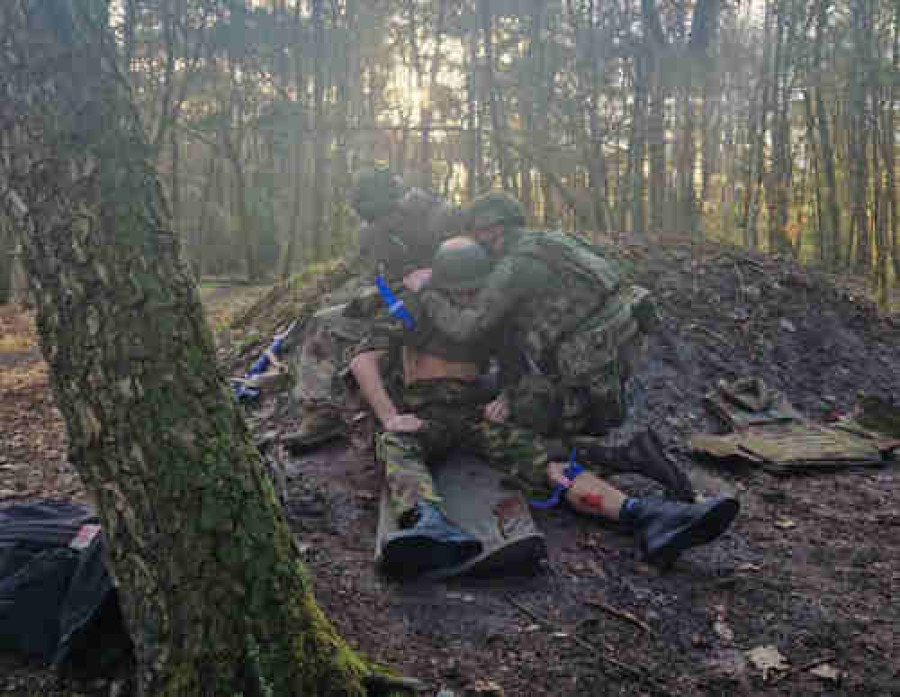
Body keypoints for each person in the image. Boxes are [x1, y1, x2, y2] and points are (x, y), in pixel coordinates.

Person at [351, 236, 739, 578]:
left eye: (474, 289)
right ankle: (427, 522)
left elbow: (515, 371)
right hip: (426, 415)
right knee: (396, 444)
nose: (468, 297)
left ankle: (647, 515)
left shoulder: (488, 315)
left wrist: (504, 398)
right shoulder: (415, 305)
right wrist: (390, 415)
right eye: (460, 290)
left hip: (474, 415)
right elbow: (362, 361)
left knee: (545, 462)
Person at [404, 191, 695, 501]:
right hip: (620, 349)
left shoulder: (515, 266)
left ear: (494, 230)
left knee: (512, 422)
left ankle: (625, 453)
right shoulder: (553, 241)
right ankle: (614, 446)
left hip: (588, 363)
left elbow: (467, 327)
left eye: (477, 233)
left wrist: (427, 292)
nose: (476, 242)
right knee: (514, 403)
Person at [286, 168, 464, 450]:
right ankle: (322, 411)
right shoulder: (371, 232)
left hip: (439, 301)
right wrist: (366, 295)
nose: (378, 223)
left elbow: (476, 262)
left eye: (382, 215)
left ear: (399, 199)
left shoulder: (441, 217)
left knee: (379, 348)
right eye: (369, 218)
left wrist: (433, 274)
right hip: (393, 297)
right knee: (323, 320)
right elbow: (369, 270)